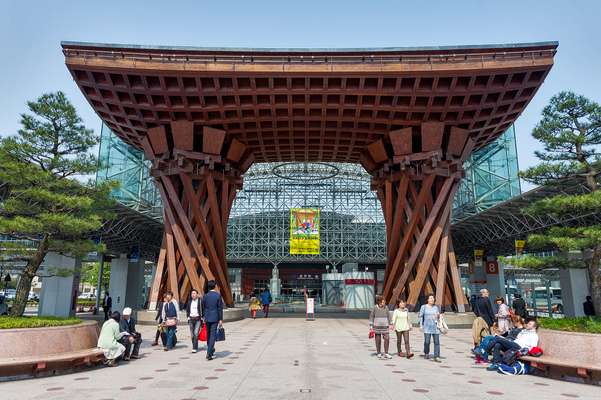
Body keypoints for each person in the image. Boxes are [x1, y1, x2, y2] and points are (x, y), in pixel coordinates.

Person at [202, 280, 224, 360]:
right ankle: (209, 353)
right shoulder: (218, 296)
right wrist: (221, 319)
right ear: (215, 286)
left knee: (208, 335)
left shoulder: (205, 296)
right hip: (215, 317)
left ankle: (210, 349)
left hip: (207, 317)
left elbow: (203, 307)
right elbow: (220, 308)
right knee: (212, 336)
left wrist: (203, 316)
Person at [419, 293, 442, 362]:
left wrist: (438, 316)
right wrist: (421, 325)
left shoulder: (436, 307)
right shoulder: (424, 307)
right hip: (427, 328)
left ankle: (436, 356)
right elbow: (420, 316)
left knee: (437, 342)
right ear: (427, 300)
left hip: (435, 327)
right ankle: (426, 353)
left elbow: (438, 317)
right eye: (430, 298)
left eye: (433, 298)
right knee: (427, 342)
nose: (432, 299)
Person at [369, 295, 393, 360]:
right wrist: (371, 325)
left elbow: (389, 316)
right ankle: (378, 352)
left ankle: (386, 353)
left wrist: (391, 324)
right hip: (377, 326)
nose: (384, 303)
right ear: (379, 302)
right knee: (378, 340)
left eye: (384, 302)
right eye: (383, 302)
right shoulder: (375, 308)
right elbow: (371, 316)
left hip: (385, 327)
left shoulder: (386, 308)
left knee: (387, 339)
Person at [186, 289, 203, 353]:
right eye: (192, 293)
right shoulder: (189, 301)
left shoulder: (200, 301)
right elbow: (187, 310)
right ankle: (195, 345)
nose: (193, 295)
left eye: (194, 293)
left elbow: (203, 309)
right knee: (192, 335)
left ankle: (194, 347)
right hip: (191, 319)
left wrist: (202, 318)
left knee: (196, 333)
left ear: (197, 294)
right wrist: (188, 317)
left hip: (198, 319)